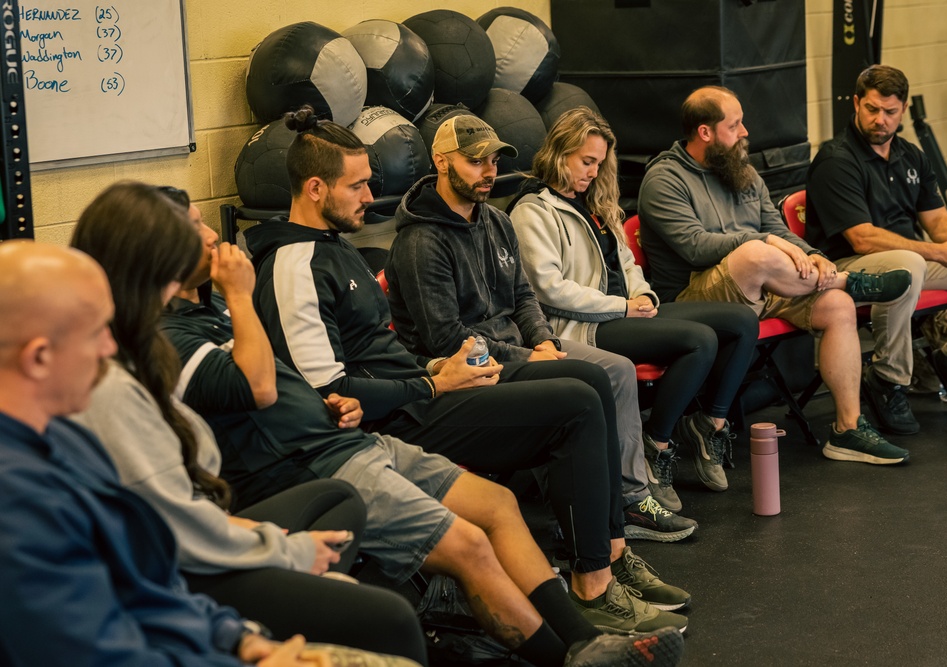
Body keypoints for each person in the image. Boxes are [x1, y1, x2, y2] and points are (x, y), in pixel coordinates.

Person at [165, 180, 692, 641]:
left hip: (401, 401)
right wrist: (433, 381)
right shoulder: (290, 267)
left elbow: (352, 369)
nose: (371, 196)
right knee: (576, 400)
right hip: (383, 421)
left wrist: (440, 367)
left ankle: (609, 562)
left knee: (587, 385)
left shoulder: (330, 251)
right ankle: (590, 589)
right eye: (358, 185)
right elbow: (298, 384)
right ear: (316, 188)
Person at [0, 240, 411, 667]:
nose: (108, 349)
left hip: (195, 634)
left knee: (344, 513)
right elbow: (98, 651)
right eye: (96, 332)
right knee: (390, 626)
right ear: (40, 358)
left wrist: (237, 637)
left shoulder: (66, 440)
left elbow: (148, 582)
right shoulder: (18, 504)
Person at [384, 114, 698, 537]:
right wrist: (531, 355)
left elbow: (524, 298)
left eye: (494, 161)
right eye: (475, 161)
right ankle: (598, 518)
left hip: (518, 351)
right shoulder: (421, 241)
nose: (489, 171)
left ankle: (627, 499)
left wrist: (544, 341)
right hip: (469, 369)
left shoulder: (494, 221)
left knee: (617, 370)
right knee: (585, 381)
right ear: (441, 162)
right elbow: (447, 340)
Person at [638, 85, 913, 466]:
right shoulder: (664, 179)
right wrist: (765, 241)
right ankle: (851, 279)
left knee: (836, 305)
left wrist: (813, 256)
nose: (745, 131)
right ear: (706, 132)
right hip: (693, 298)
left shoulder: (741, 171)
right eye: (734, 125)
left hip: (762, 286)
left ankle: (847, 430)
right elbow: (695, 247)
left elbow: (776, 227)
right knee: (754, 254)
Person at [508, 106, 759, 508]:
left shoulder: (595, 202)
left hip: (625, 310)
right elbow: (549, 289)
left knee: (743, 321)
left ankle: (709, 424)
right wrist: (623, 306)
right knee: (699, 340)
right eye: (585, 161)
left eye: (598, 163)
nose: (592, 171)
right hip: (584, 324)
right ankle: (656, 445)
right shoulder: (533, 210)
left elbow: (628, 264)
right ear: (560, 153)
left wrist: (645, 297)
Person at [807, 64, 947, 431]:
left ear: (904, 110)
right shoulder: (836, 159)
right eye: (872, 109)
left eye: (890, 112)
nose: (880, 120)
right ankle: (888, 378)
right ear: (856, 103)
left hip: (912, 262)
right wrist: (938, 252)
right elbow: (862, 238)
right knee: (907, 265)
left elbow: (936, 218)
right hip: (848, 271)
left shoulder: (911, 155)